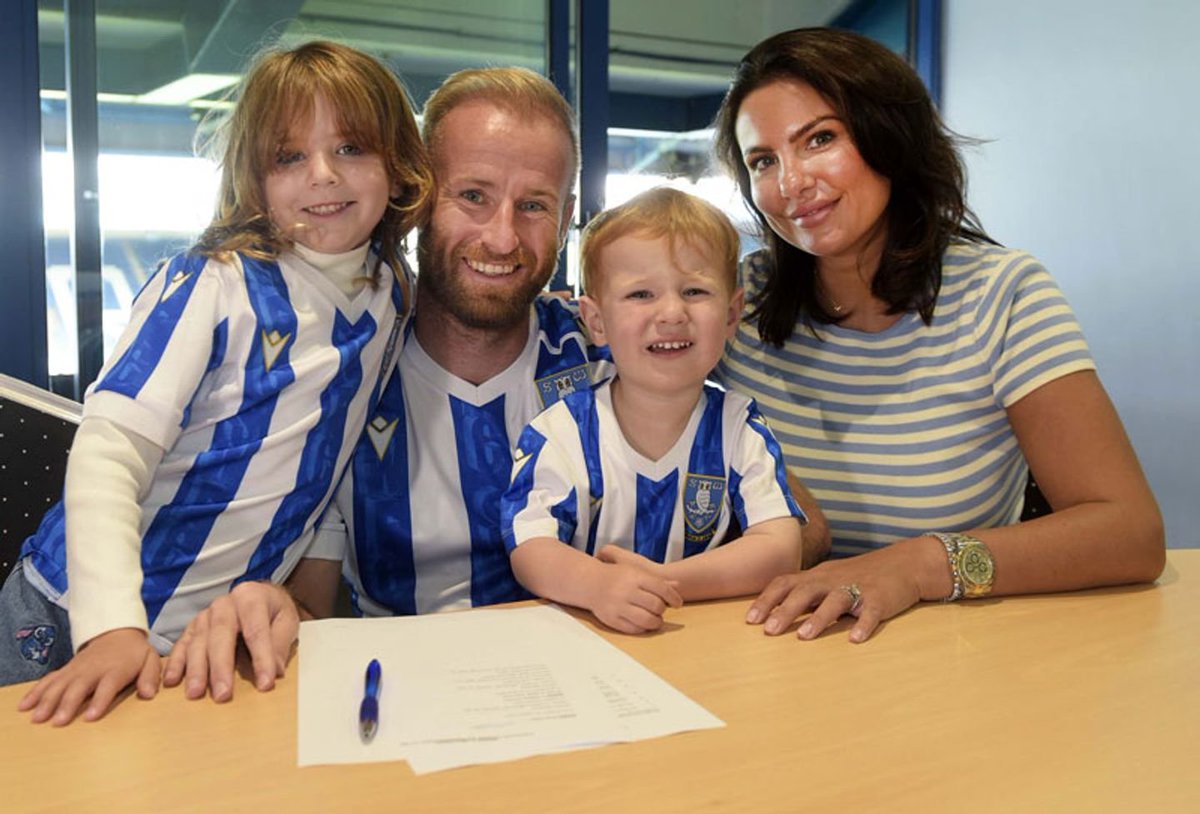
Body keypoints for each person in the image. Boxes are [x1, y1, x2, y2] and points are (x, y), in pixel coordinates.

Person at [2, 39, 433, 723]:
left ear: (398, 163)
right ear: (254, 177)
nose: (322, 175)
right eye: (289, 157)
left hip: (201, 644)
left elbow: (328, 464)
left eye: (350, 148)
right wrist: (111, 628)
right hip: (70, 621)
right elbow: (107, 455)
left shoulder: (391, 295)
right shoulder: (212, 282)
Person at [161, 67, 615, 698]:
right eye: (473, 196)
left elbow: (756, 508)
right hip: (400, 700)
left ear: (566, 218)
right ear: (418, 197)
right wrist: (270, 607)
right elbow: (311, 606)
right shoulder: (340, 372)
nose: (502, 237)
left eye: (534, 205)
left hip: (591, 689)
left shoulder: (604, 360)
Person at [709, 27, 1164, 643]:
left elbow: (1130, 533)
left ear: (889, 136)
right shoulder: (738, 299)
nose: (791, 183)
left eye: (819, 139)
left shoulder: (1002, 293)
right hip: (775, 644)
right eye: (764, 161)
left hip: (953, 658)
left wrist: (919, 565)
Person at [501, 187, 805, 634]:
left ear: (731, 314)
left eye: (695, 291)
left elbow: (780, 549)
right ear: (596, 321)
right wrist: (598, 586)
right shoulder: (561, 431)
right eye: (641, 294)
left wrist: (663, 582)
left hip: (697, 639)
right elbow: (529, 548)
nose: (672, 313)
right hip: (584, 638)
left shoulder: (740, 427)